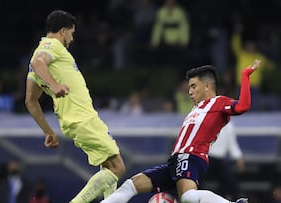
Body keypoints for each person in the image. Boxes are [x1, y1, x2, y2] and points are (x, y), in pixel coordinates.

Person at [101, 59, 261, 203]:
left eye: (193, 86)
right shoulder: (196, 108)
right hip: (174, 161)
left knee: (189, 197)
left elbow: (243, 106)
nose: (189, 91)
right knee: (130, 185)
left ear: (207, 86)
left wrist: (245, 76)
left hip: (192, 157)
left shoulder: (219, 102)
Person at [24, 10, 126, 203]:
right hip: (82, 118)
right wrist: (54, 85)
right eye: (72, 33)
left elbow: (30, 100)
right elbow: (39, 64)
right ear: (63, 31)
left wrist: (48, 132)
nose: (72, 38)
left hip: (77, 118)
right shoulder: (51, 45)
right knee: (117, 167)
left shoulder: (39, 51)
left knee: (107, 168)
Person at [204, 121, 245, 200]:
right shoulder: (207, 121)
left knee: (231, 182)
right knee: (196, 179)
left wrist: (238, 157)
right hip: (205, 158)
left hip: (220, 160)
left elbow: (232, 143)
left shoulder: (229, 126)